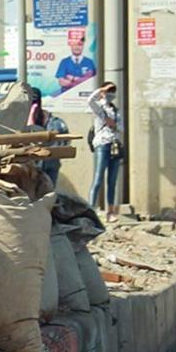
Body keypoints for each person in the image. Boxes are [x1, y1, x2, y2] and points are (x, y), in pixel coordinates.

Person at [88, 81, 122, 219]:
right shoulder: (99, 108)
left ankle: (111, 211)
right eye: (109, 90)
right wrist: (101, 89)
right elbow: (90, 100)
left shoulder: (115, 110)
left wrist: (115, 125)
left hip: (114, 144)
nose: (111, 93)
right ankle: (91, 210)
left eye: (113, 91)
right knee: (98, 178)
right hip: (102, 144)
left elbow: (121, 128)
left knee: (112, 180)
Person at [55, 26, 97, 93]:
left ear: (83, 45)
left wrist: (72, 78)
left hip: (84, 96)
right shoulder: (64, 62)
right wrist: (81, 80)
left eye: (80, 45)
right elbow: (62, 82)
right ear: (70, 45)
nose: (77, 47)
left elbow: (91, 82)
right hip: (66, 97)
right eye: (74, 44)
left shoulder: (89, 62)